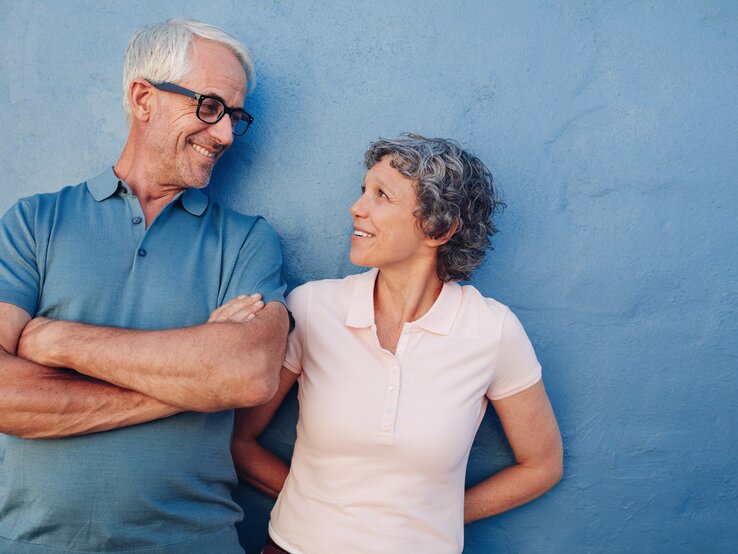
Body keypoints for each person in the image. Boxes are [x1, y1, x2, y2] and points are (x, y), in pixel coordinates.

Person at [0, 19, 289, 553]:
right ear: (143, 98)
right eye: (209, 106)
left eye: (234, 117)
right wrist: (192, 385)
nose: (225, 134)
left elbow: (246, 374)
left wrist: (56, 340)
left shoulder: (248, 240)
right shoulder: (34, 223)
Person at [225, 134, 563, 554]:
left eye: (382, 195)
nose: (357, 207)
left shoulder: (492, 331)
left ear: (439, 228)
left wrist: (430, 518)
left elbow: (542, 466)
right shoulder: (313, 308)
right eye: (363, 190)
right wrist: (323, 510)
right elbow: (237, 438)